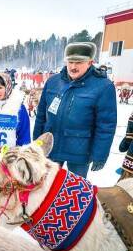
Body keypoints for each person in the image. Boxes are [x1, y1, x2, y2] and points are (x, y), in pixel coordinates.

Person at [33, 42, 117, 178]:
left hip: (80, 152)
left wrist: (100, 154)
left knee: (75, 192)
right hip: (51, 147)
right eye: (70, 62)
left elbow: (106, 125)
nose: (73, 66)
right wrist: (37, 143)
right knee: (46, 189)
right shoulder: (53, 82)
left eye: (79, 62)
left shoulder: (103, 86)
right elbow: (41, 116)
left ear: (90, 62)